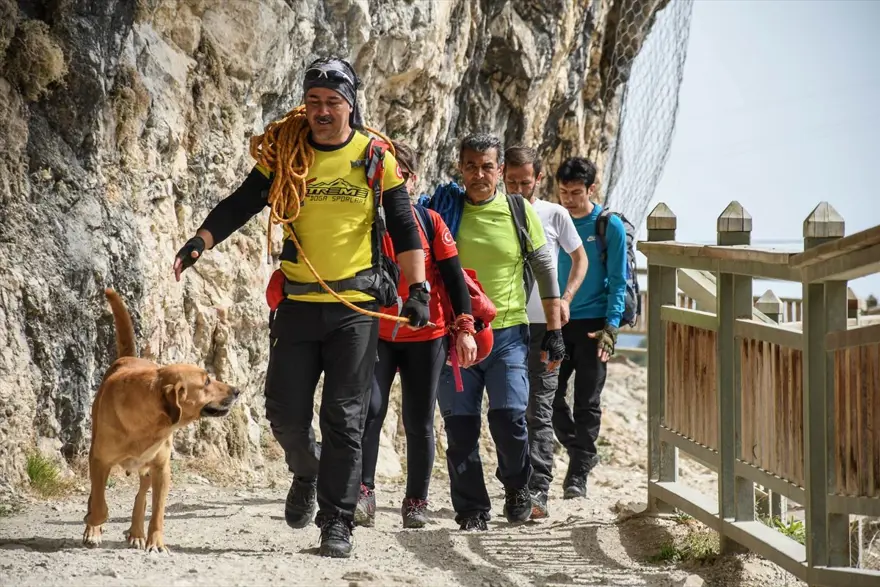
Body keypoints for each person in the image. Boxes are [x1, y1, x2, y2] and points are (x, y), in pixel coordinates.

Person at [171, 57, 430, 558]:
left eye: (333, 102)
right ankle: (306, 471)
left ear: (351, 104)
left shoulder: (376, 155)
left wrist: (417, 289)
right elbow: (243, 201)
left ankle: (337, 522)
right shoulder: (287, 151)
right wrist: (200, 242)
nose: (322, 111)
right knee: (284, 413)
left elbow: (403, 225)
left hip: (355, 307)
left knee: (344, 417)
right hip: (296, 303)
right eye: (313, 101)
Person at [421, 133, 566, 531]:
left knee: (509, 419)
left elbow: (545, 271)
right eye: (471, 166)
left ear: (500, 170)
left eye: (488, 166)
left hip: (506, 336)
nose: (479, 174)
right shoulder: (445, 212)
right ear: (461, 169)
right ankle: (471, 509)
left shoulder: (518, 211)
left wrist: (554, 331)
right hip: (455, 337)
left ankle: (518, 487)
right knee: (460, 427)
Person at [356, 140, 478, 529]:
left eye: (404, 175)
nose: (398, 182)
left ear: (413, 179)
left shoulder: (430, 221)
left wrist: (465, 328)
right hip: (376, 333)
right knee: (369, 412)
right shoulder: (364, 221)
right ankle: (364, 493)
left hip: (426, 335)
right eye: (390, 175)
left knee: (419, 421)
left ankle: (416, 502)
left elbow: (456, 280)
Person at [503, 146, 587, 519]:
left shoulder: (554, 214)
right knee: (508, 410)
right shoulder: (494, 210)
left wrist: (566, 298)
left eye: (526, 182)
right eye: (512, 182)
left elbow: (579, 257)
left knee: (539, 409)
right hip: (506, 325)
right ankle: (514, 485)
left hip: (546, 327)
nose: (519, 189)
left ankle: (538, 490)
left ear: (539, 179)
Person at [551, 157, 626, 500]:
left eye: (576, 192)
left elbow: (618, 282)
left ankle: (577, 473)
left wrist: (611, 328)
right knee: (547, 393)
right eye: (563, 191)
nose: (569, 199)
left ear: (592, 189)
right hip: (558, 320)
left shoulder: (608, 227)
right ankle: (581, 449)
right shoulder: (552, 219)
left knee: (587, 400)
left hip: (595, 324)